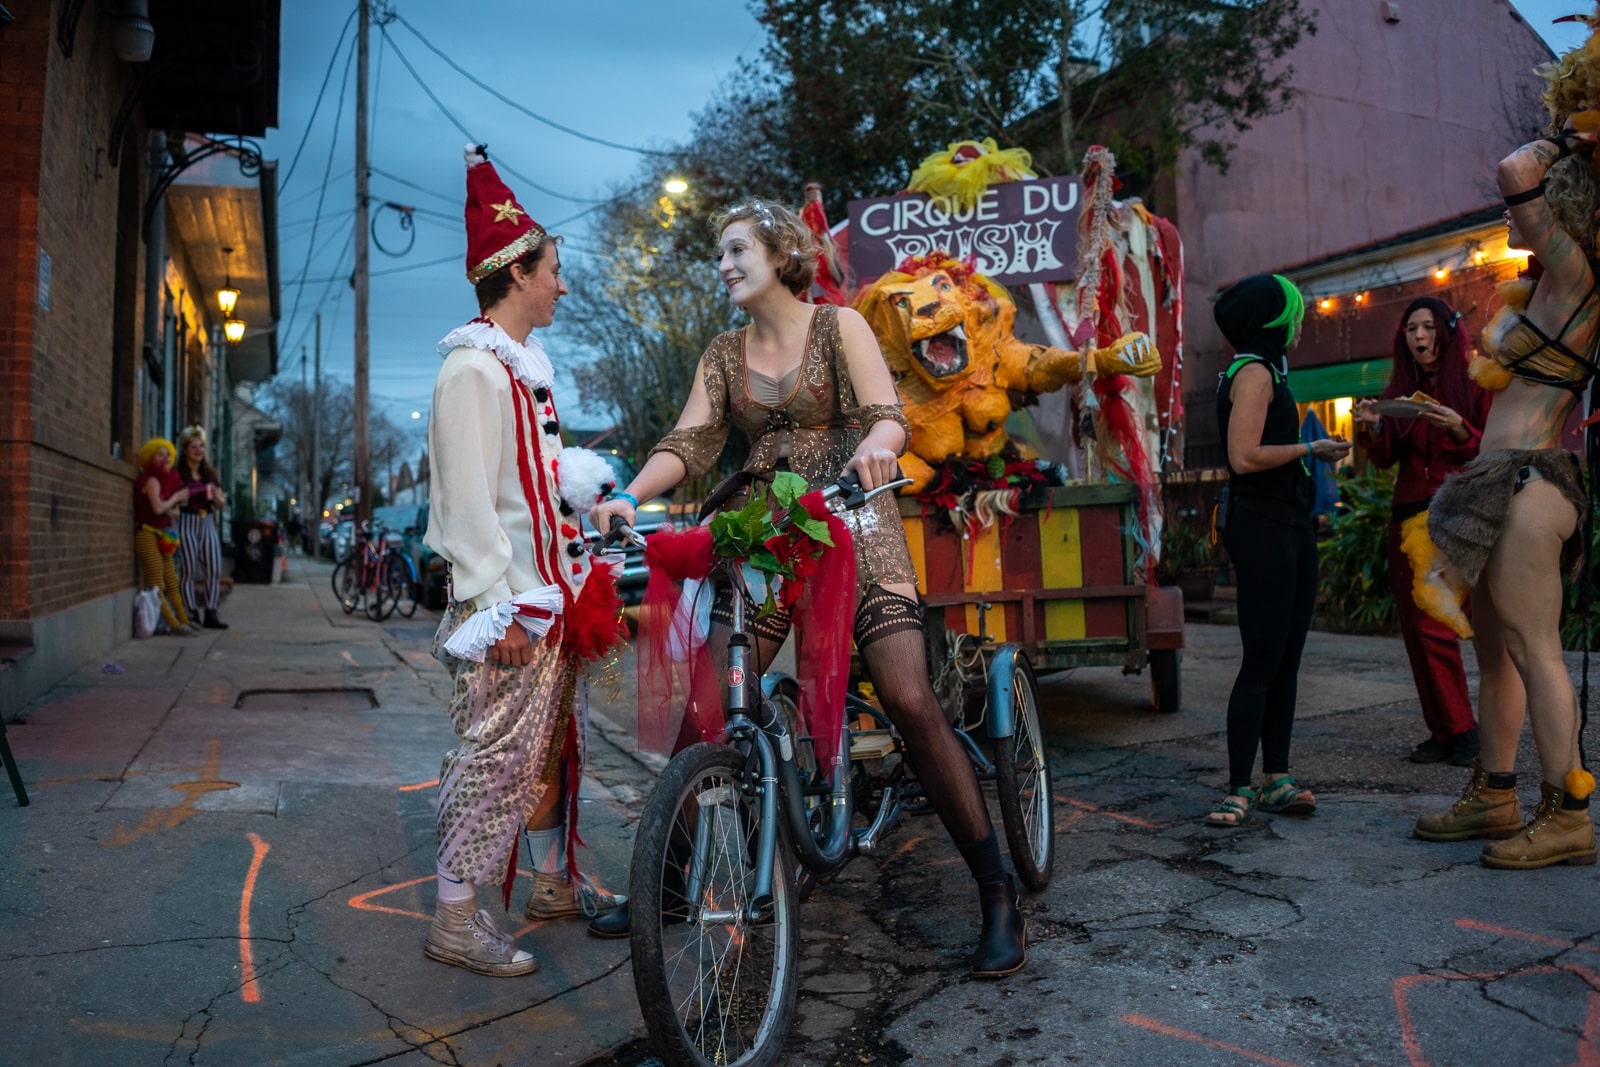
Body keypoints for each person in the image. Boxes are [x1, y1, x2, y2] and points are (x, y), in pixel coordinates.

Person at [587, 198, 1027, 978]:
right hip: (768, 529)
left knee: (909, 697)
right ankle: (674, 878)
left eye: (734, 250)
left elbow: (885, 416)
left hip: (856, 519)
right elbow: (689, 441)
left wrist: (879, 453)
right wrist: (629, 490)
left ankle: (995, 889)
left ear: (779, 251)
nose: (722, 265)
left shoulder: (839, 326)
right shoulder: (725, 353)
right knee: (712, 701)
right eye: (719, 254)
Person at [419, 145, 625, 976]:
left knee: (541, 755)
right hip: (510, 608)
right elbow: (466, 506)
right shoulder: (472, 367)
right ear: (516, 272)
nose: (562, 286)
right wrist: (496, 607)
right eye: (554, 271)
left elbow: (522, 485)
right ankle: (454, 920)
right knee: (494, 759)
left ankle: (546, 886)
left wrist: (585, 499)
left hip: (545, 597)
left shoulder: (517, 365)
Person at [1410, 108, 1600, 867]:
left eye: (1530, 207)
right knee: (1494, 649)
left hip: (1533, 482)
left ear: (1561, 204)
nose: (1512, 214)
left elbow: (1515, 172)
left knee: (1534, 647)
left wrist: (1570, 137)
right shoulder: (1553, 279)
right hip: (1499, 480)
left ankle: (1570, 812)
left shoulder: (1580, 271)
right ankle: (1495, 791)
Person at [1206, 275, 1352, 828]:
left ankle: (1278, 777)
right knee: (1262, 659)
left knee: (1287, 657)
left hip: (1291, 524)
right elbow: (1243, 457)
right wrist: (1311, 447)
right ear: (1273, 320)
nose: (1300, 321)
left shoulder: (1270, 370)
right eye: (1294, 312)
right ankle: (1239, 787)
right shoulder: (1255, 373)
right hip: (1264, 526)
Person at [1353, 299, 1489, 765]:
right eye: (1411, 328)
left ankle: (1464, 731)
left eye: (1428, 327)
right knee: (1415, 630)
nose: (1419, 335)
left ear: (1446, 334)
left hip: (1453, 515)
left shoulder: (1474, 384)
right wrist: (1370, 430)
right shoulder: (1400, 390)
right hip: (1405, 516)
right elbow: (1387, 457)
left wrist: (1458, 428)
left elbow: (1489, 452)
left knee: (1435, 625)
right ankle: (1442, 732)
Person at [134, 438, 195, 636]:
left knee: (172, 581)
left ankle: (184, 620)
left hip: (163, 535)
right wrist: (173, 500)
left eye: (168, 454)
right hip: (147, 533)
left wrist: (169, 504)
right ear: (150, 459)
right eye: (160, 454)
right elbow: (158, 508)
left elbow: (173, 512)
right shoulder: (151, 480)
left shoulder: (165, 481)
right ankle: (174, 625)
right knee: (157, 583)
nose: (166, 457)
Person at [173, 426, 229, 630]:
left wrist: (217, 498)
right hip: (187, 520)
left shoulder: (210, 473)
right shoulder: (178, 473)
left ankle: (211, 612)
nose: (198, 450)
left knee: (214, 567)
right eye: (194, 446)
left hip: (207, 521)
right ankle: (191, 612)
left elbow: (221, 502)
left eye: (202, 446)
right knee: (189, 569)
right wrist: (186, 495)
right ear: (186, 449)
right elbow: (175, 499)